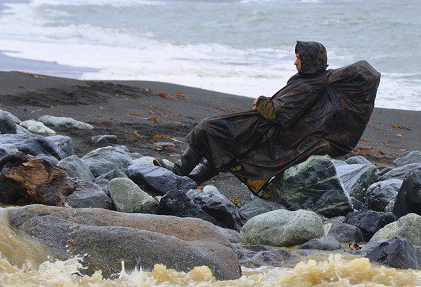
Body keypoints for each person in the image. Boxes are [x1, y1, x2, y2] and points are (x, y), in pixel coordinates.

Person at [156, 41, 380, 195]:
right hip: (265, 127)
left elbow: (279, 113)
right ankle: (188, 179)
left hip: (270, 131)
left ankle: (179, 173)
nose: (295, 62)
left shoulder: (310, 84)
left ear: (310, 60)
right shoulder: (312, 78)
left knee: (209, 128)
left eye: (298, 58)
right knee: (229, 150)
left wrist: (262, 103)